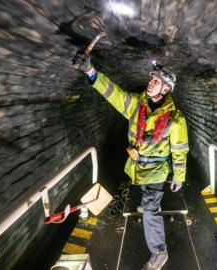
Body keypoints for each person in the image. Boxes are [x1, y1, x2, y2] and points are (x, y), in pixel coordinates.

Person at [73, 53, 189, 270]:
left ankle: (159, 252)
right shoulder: (136, 104)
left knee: (150, 208)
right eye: (151, 78)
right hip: (137, 167)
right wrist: (90, 72)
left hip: (156, 170)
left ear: (166, 89)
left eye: (156, 81)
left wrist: (179, 176)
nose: (150, 82)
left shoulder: (176, 119)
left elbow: (180, 150)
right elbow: (113, 93)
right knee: (146, 200)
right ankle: (146, 206)